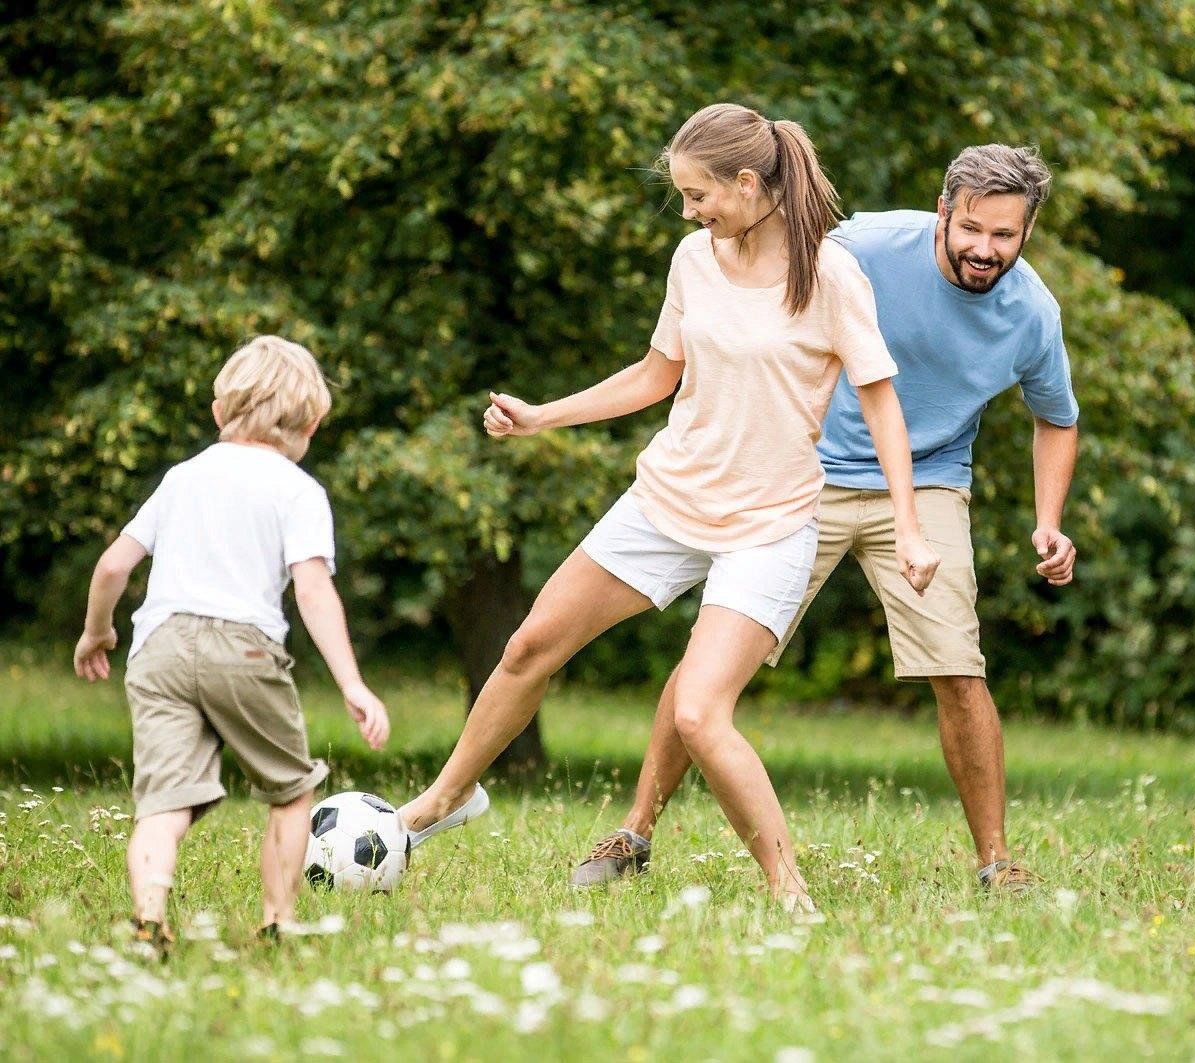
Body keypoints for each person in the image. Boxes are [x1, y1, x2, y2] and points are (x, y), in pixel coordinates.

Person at [397, 103, 939, 912]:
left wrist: (909, 523)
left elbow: (883, 405)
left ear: (749, 183)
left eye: (699, 194)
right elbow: (657, 375)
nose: (689, 211)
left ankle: (791, 894)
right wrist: (542, 414)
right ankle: (441, 801)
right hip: (668, 500)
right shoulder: (694, 259)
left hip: (768, 524)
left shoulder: (831, 276)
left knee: (698, 711)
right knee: (528, 646)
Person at [570, 144, 1081, 893]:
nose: (984, 249)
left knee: (958, 667)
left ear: (1028, 231)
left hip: (929, 481)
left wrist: (1049, 518)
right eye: (971, 228)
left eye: (1005, 236)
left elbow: (1056, 418)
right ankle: (634, 830)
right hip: (803, 470)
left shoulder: (1032, 312)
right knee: (708, 662)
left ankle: (996, 861)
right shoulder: (865, 247)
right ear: (943, 211)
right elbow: (762, 280)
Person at [72, 335, 391, 952]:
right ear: (313, 423)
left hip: (159, 649)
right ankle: (277, 920)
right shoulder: (297, 491)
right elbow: (314, 591)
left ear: (219, 412)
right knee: (292, 791)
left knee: (162, 802)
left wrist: (96, 631)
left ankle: (149, 916)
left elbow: (113, 566)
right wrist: (351, 682)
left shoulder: (181, 478)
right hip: (243, 650)